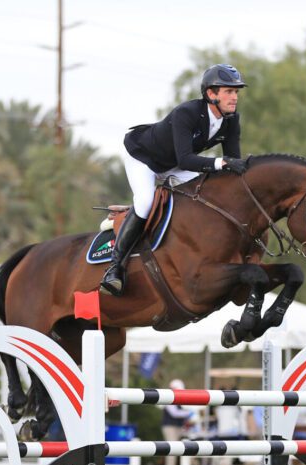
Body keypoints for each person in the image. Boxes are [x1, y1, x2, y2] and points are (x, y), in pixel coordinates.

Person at [101, 64, 248, 296]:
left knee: (208, 190)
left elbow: (232, 162)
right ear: (211, 94)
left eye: (236, 92)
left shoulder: (231, 120)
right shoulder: (186, 113)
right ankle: (114, 268)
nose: (234, 97)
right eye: (228, 91)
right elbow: (188, 159)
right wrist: (221, 163)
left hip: (175, 165)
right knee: (146, 202)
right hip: (144, 159)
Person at [160, 378, 194, 465]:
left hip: (178, 427)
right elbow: (174, 413)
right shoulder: (168, 398)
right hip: (170, 427)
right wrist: (188, 413)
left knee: (183, 447)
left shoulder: (177, 398)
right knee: (172, 448)